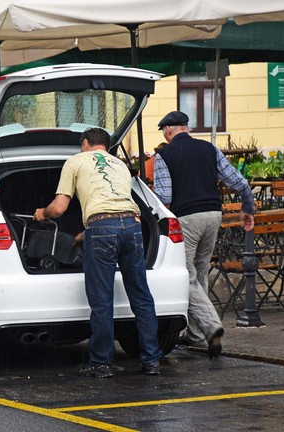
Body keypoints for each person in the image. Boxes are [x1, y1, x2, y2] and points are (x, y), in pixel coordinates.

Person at [34, 127, 163, 378]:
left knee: (102, 299)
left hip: (102, 228)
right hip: (133, 226)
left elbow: (59, 208)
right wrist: (87, 233)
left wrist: (42, 214)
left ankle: (101, 363)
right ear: (106, 146)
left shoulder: (75, 162)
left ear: (85, 144)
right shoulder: (120, 164)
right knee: (141, 296)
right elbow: (115, 208)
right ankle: (151, 360)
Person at [153, 111, 255, 358]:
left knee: (185, 275)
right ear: (185, 128)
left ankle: (211, 327)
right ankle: (196, 334)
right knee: (199, 272)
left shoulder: (164, 154)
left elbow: (165, 197)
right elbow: (239, 181)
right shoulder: (209, 149)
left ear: (168, 130)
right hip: (213, 215)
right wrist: (247, 209)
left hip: (187, 218)